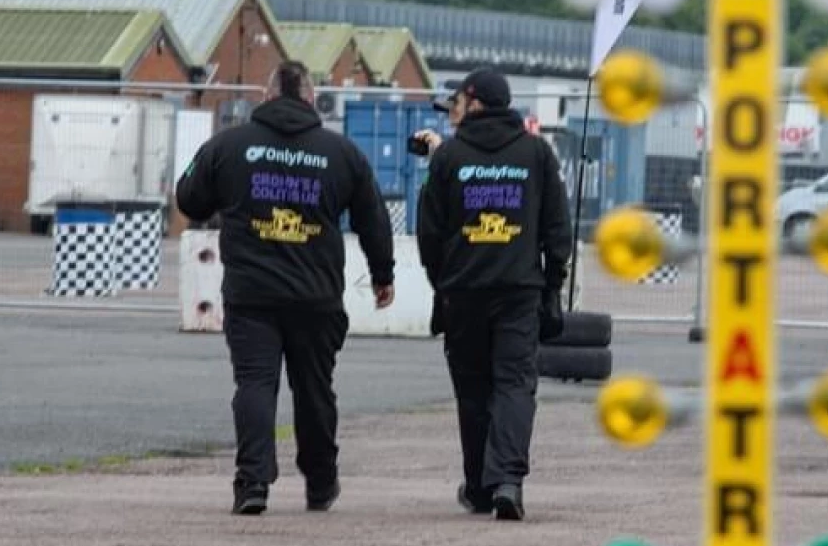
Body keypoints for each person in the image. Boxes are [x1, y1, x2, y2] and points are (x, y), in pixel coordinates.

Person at [176, 60, 395, 515]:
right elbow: (374, 218)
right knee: (314, 389)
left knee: (255, 383)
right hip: (316, 294)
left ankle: (252, 482)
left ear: (267, 95)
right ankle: (320, 481)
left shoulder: (229, 145)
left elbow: (189, 198)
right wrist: (382, 275)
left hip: (251, 293)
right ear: (312, 98)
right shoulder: (342, 153)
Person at [414, 69, 571, 521]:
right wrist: (552, 283)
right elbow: (557, 227)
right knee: (515, 384)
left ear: (476, 101)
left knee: (473, 389)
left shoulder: (449, 156)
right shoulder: (536, 153)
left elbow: (430, 231)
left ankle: (482, 488)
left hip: (463, 290)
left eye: (458, 100)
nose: (455, 108)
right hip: (519, 290)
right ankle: (507, 481)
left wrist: (442, 281)